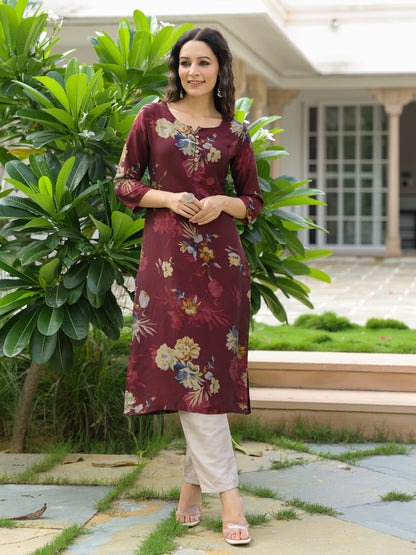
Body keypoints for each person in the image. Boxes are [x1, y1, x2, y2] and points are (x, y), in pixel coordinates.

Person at [114, 27, 263, 546]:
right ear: (176, 69)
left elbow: (253, 201)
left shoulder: (235, 132)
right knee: (188, 370)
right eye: (184, 62)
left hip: (222, 265)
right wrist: (167, 198)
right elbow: (125, 182)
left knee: (207, 377)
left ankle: (192, 490)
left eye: (203, 62)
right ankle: (231, 498)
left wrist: (222, 202)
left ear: (220, 69)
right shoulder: (151, 117)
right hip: (167, 265)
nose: (192, 71)